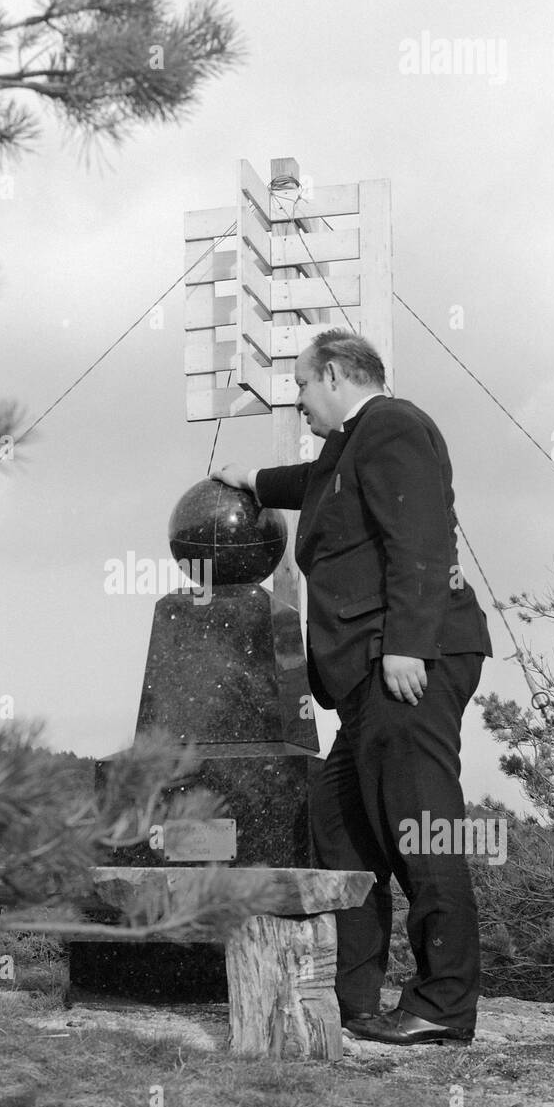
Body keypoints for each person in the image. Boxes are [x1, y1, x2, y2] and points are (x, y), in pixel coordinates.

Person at [211, 329, 492, 1045]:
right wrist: (250, 482)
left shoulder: (394, 425)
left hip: (406, 661)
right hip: (368, 671)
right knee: (340, 824)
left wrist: (406, 645)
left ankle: (442, 1005)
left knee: (420, 827)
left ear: (334, 375)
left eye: (302, 385)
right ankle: (351, 996)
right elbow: (312, 485)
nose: (298, 402)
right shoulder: (348, 448)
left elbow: (420, 539)